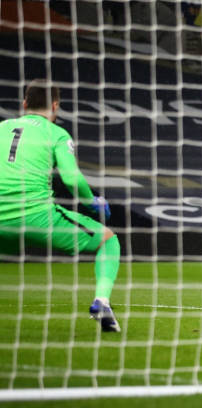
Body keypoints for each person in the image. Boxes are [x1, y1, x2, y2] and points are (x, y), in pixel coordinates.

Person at [0, 79, 121, 332]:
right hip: (36, 216)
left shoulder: (3, 127)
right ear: (55, 106)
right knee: (108, 239)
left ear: (24, 103)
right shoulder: (56, 133)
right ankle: (101, 302)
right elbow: (71, 178)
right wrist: (92, 202)